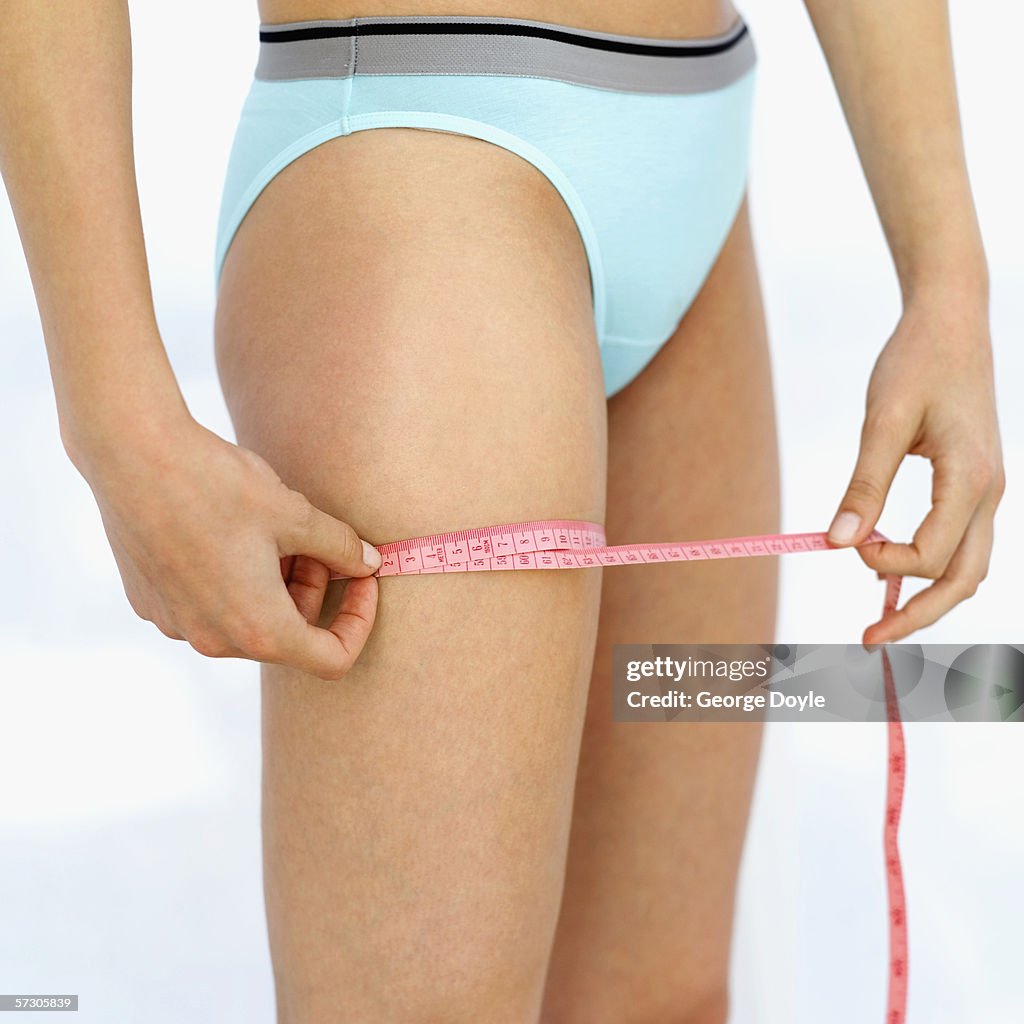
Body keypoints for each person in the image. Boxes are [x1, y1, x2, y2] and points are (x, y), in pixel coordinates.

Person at [0, 1, 1004, 1021]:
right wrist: (117, 425)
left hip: (704, 144)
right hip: (423, 182)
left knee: (664, 1006)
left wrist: (947, 282)